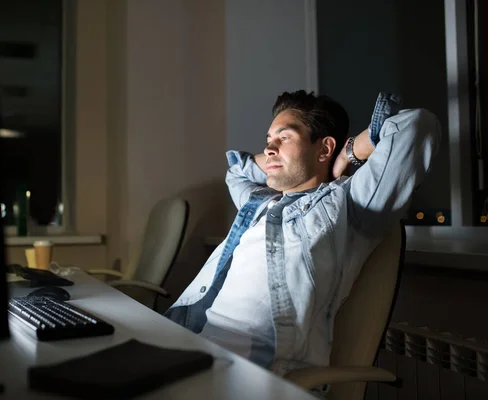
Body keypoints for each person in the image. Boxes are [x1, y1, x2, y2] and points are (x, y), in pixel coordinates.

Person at [164, 91, 441, 378]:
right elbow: (236, 170)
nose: (269, 148)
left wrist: (347, 153)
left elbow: (417, 126)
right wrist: (278, 152)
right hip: (189, 340)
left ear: (323, 149)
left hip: (251, 371)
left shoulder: (349, 205)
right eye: (268, 140)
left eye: (284, 138)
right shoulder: (259, 202)